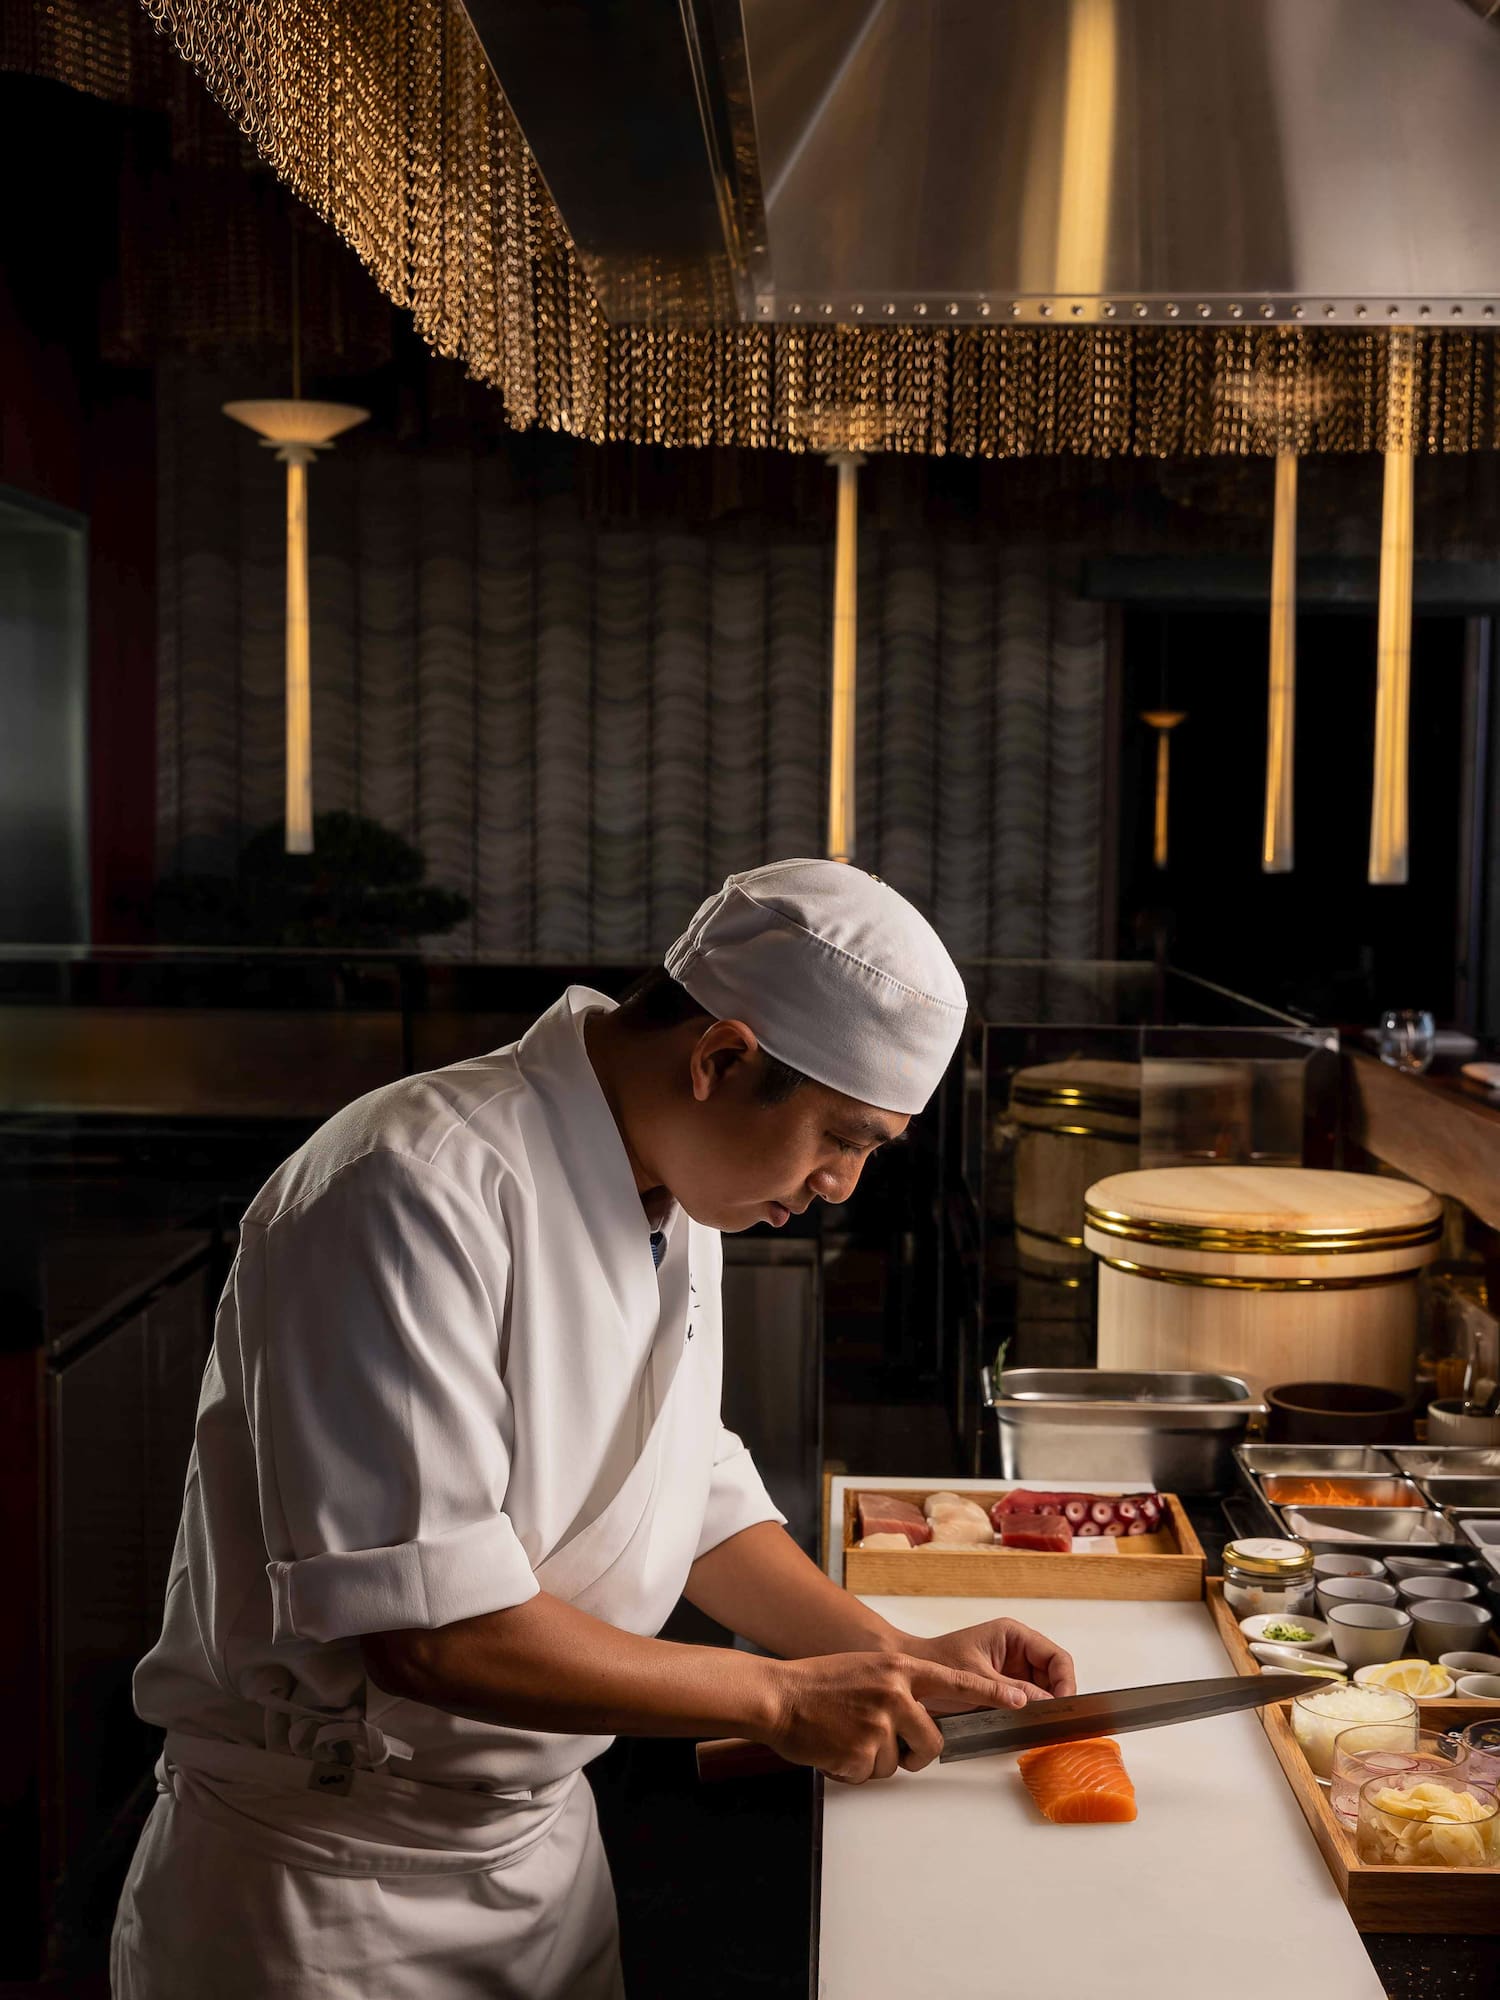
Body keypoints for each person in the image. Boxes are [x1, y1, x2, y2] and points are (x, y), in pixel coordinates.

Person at [112, 858, 1075, 1999]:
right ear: (720, 1058)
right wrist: (779, 1696)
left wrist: (894, 1657)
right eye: (843, 1136)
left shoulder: (680, 1181)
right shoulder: (410, 1184)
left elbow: (685, 1492)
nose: (844, 1184)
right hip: (330, 1883)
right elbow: (434, 1633)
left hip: (546, 1859)